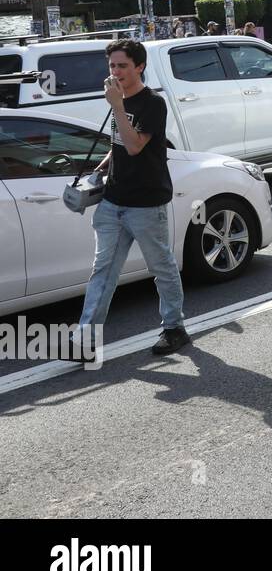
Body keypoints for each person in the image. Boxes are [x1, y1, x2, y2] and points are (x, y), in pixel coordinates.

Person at [78, 39, 189, 358]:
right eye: (112, 66)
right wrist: (98, 171)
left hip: (146, 202)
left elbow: (135, 145)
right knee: (103, 270)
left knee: (161, 266)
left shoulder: (152, 103)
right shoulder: (121, 100)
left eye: (122, 65)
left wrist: (116, 105)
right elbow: (118, 146)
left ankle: (174, 328)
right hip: (113, 201)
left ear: (139, 66)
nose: (115, 71)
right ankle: (86, 338)